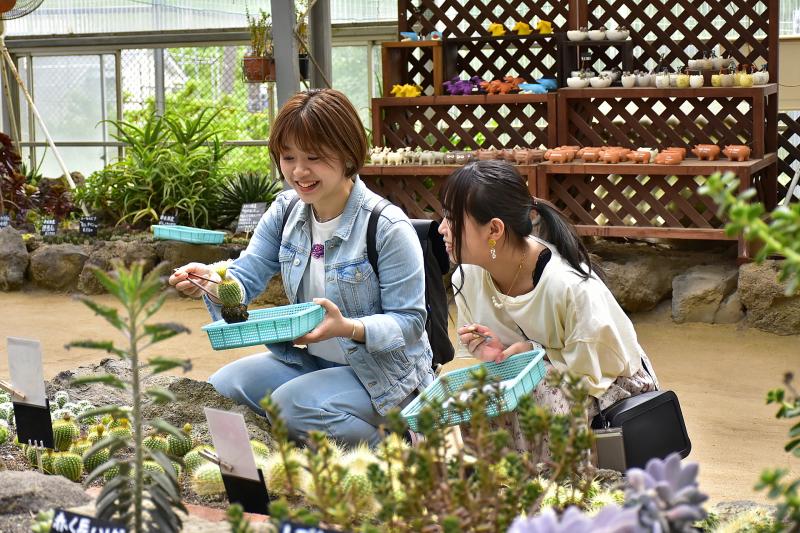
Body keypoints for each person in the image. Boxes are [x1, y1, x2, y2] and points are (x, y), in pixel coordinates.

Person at [169, 88, 434, 448]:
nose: (299, 171)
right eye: (288, 156)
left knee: (290, 407)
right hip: (308, 361)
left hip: (383, 374)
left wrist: (348, 328)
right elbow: (246, 276)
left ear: (347, 155)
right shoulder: (286, 212)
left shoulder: (387, 227)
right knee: (223, 389)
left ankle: (406, 446)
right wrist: (212, 279)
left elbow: (410, 321)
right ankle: (305, 447)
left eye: (313, 157)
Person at [437, 159, 658, 451]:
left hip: (606, 389)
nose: (442, 229)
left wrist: (533, 354)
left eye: (452, 219)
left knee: (545, 390)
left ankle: (560, 489)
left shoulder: (569, 287)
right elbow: (508, 368)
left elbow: (594, 372)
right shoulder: (469, 275)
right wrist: (499, 357)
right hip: (541, 382)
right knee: (475, 397)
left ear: (494, 230)